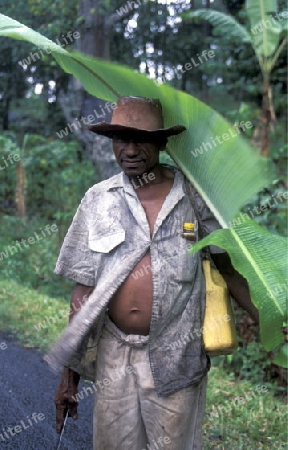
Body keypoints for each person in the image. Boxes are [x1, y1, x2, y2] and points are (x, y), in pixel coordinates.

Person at [53, 96, 258, 450]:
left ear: (162, 142)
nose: (130, 150)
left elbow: (230, 267)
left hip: (177, 353)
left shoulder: (194, 198)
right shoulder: (98, 199)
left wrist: (267, 317)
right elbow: (82, 293)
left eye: (141, 139)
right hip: (114, 355)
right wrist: (69, 377)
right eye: (121, 139)